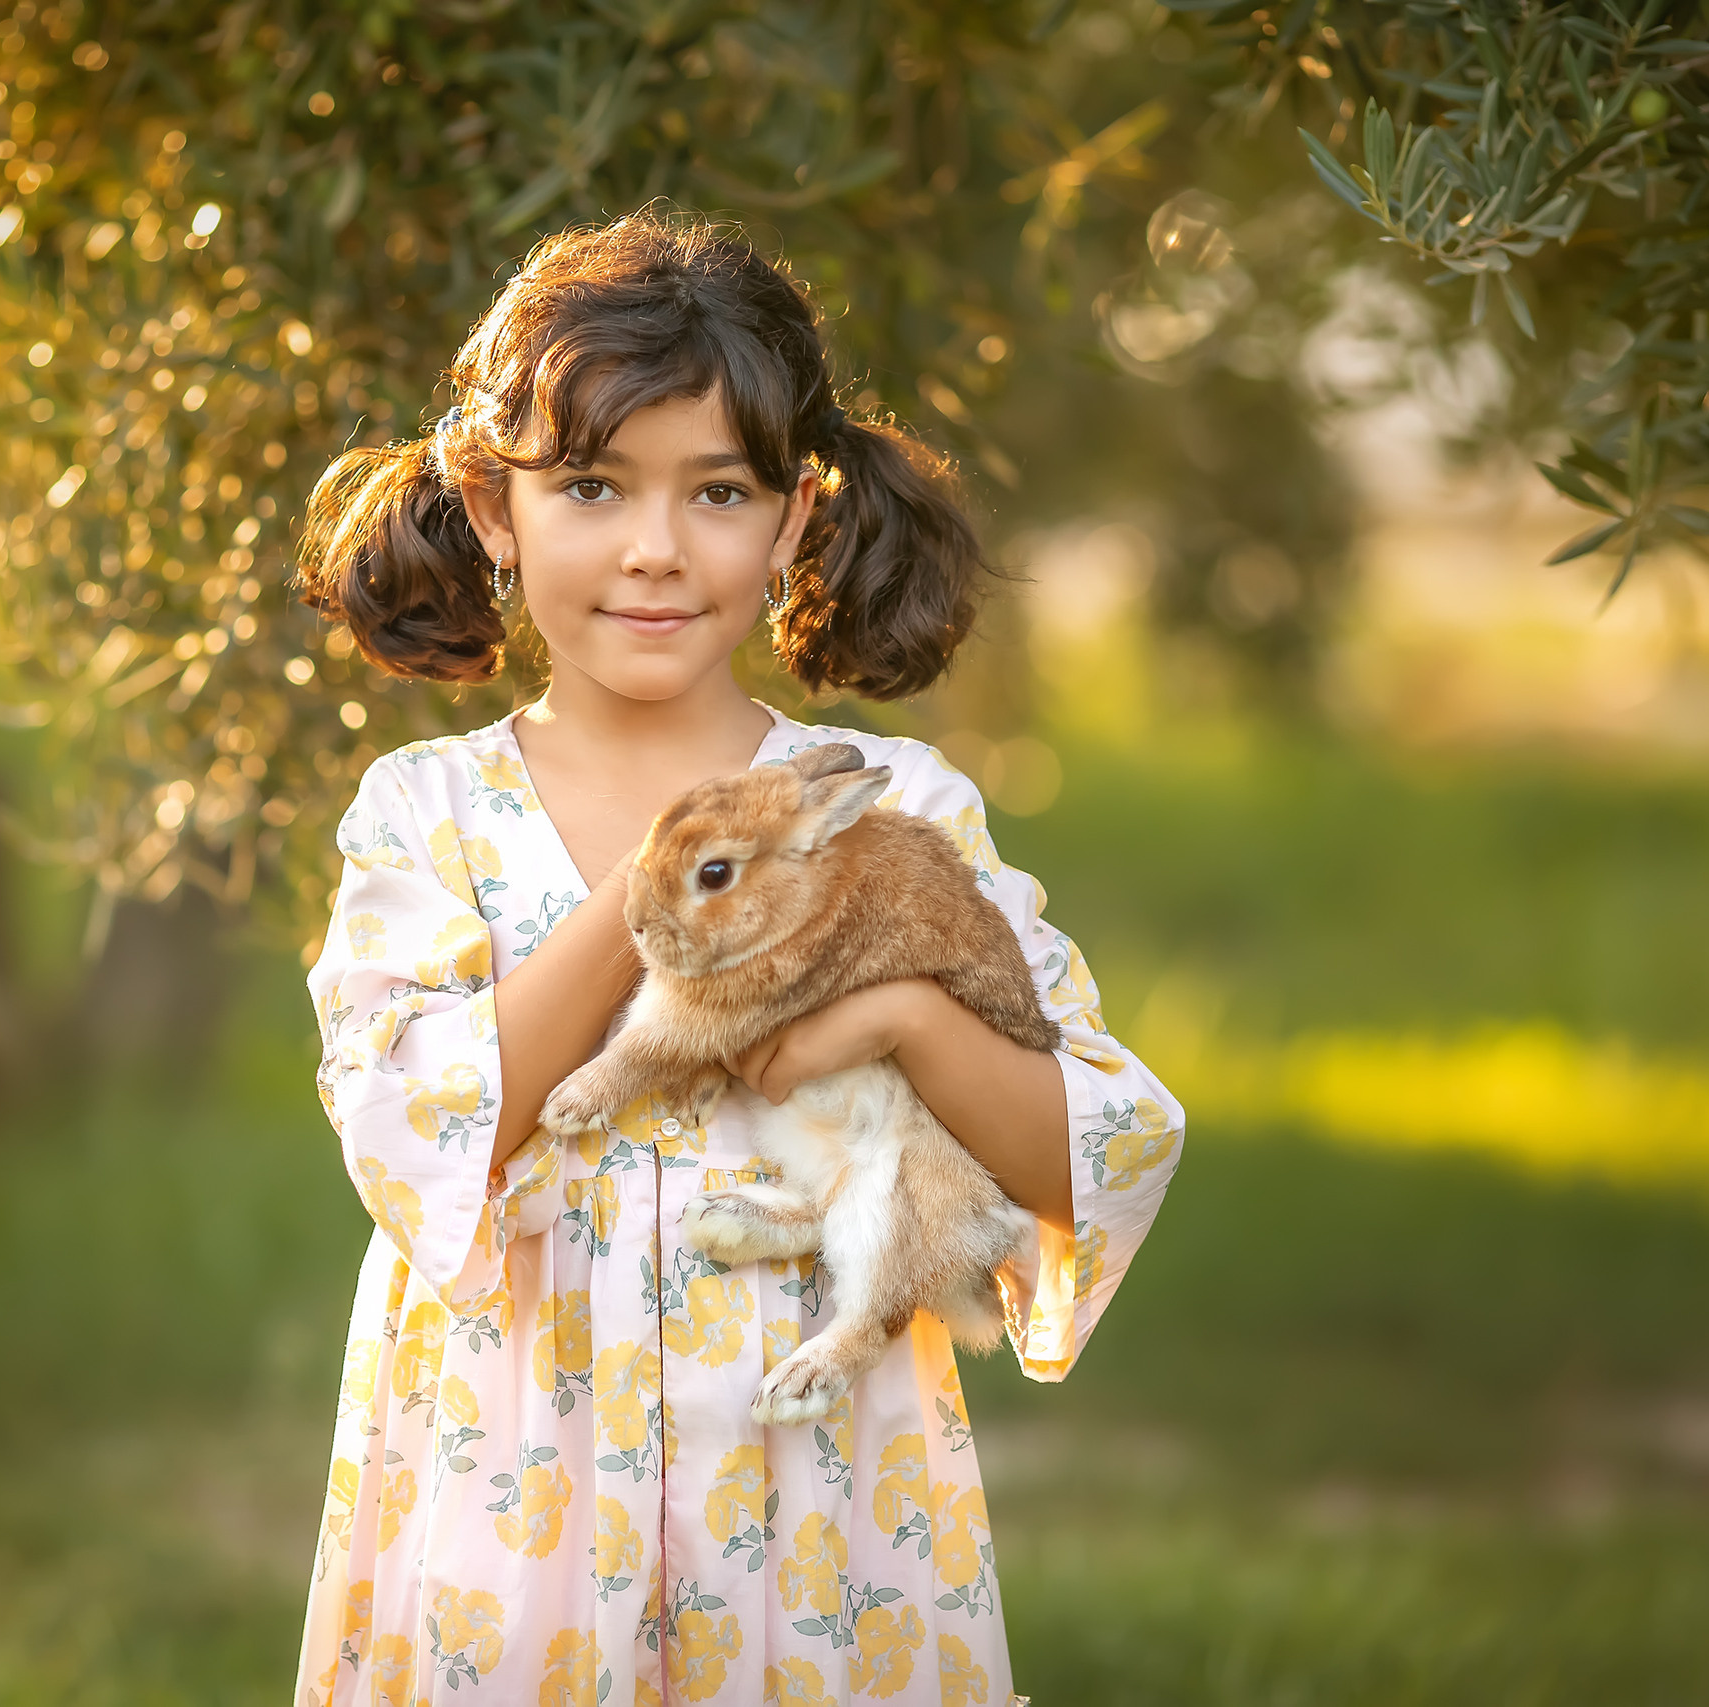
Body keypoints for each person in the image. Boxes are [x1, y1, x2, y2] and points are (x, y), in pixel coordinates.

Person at [290, 211, 1183, 1704]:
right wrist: (668, 870)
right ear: (492, 508)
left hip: (814, 1490)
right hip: (520, 1478)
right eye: (591, 485)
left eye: (716, 492)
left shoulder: (890, 812)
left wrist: (896, 1006)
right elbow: (414, 1130)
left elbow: (1093, 1149)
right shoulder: (427, 814)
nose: (654, 549)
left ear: (793, 518)